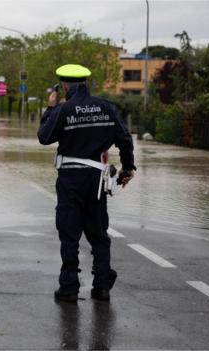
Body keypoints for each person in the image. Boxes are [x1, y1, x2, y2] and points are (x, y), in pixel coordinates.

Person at [37, 64, 136, 302]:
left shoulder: (63, 110)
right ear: (85, 83)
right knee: (98, 233)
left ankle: (69, 287)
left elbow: (44, 137)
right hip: (97, 181)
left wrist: (50, 109)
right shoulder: (107, 108)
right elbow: (125, 139)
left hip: (70, 179)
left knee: (69, 233)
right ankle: (102, 286)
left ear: (64, 85)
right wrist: (128, 168)